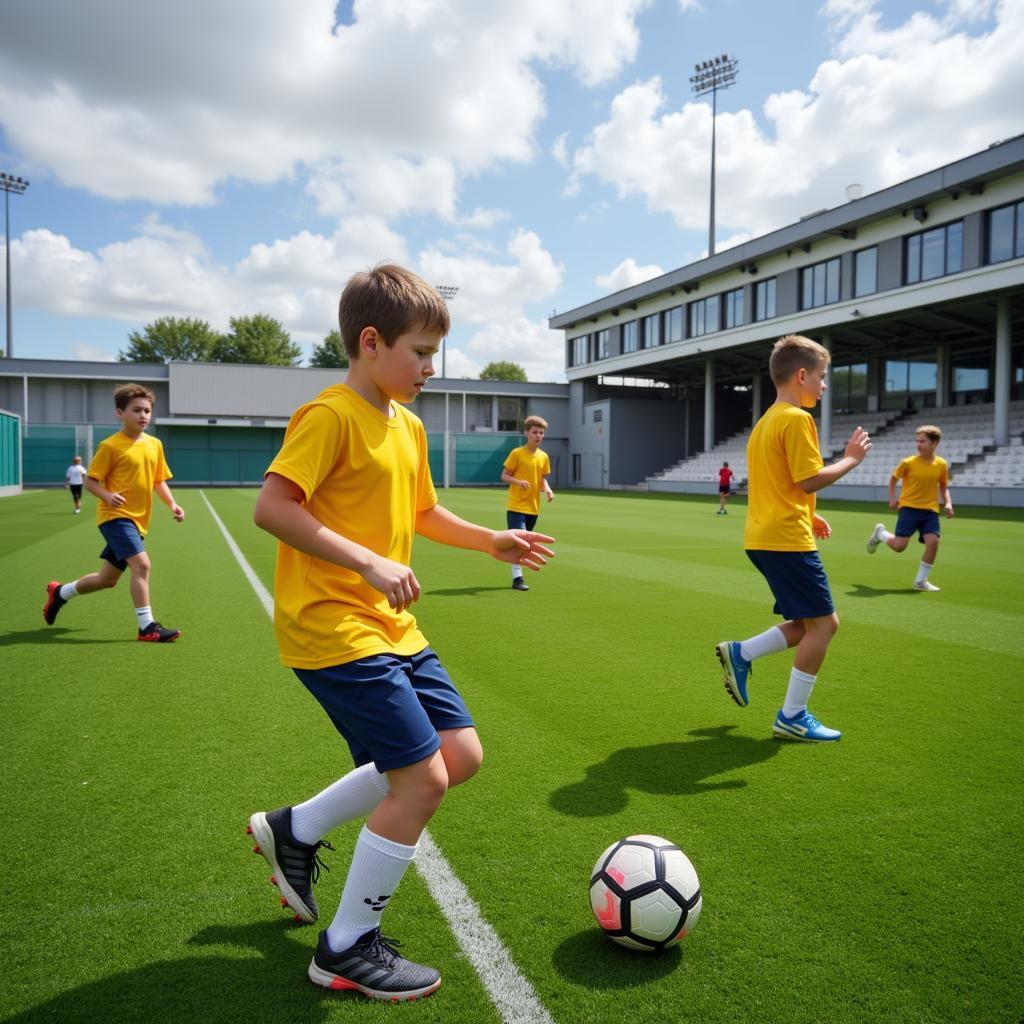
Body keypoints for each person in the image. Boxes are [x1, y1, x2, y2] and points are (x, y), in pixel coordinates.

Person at [248, 264, 554, 1001]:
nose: (431, 367)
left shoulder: (407, 424)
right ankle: (345, 948)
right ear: (371, 341)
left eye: (435, 353)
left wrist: (492, 541)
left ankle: (296, 829)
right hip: (333, 627)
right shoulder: (330, 415)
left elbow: (422, 513)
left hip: (391, 626)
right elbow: (274, 506)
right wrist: (367, 561)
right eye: (420, 352)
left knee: (462, 753)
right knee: (422, 779)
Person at [715, 335, 871, 743]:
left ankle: (743, 653)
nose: (823, 385)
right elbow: (806, 479)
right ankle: (792, 715)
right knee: (825, 625)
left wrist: (810, 513)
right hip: (786, 539)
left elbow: (776, 484)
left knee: (808, 623)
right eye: (821, 377)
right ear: (802, 375)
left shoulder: (766, 421)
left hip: (764, 535)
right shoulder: (799, 419)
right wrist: (852, 459)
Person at [42, 383, 184, 642]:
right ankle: (147, 627)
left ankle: (60, 593)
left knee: (107, 579)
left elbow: (158, 480)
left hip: (139, 522)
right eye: (136, 410)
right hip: (114, 518)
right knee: (142, 565)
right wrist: (108, 496)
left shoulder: (154, 444)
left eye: (147, 411)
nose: (143, 416)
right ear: (120, 413)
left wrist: (173, 504)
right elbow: (91, 481)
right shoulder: (110, 446)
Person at [866, 425, 953, 591]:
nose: (919, 444)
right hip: (909, 508)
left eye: (923, 441)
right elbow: (893, 479)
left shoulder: (941, 464)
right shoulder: (908, 463)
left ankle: (920, 581)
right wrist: (892, 498)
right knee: (899, 547)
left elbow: (943, 486)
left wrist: (948, 503)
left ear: (935, 443)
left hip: (930, 511)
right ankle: (880, 533)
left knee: (933, 542)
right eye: (917, 441)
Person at [500, 415, 554, 590]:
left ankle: (518, 574)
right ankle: (518, 579)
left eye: (541, 433)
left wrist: (548, 489)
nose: (538, 435)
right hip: (516, 506)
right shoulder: (517, 453)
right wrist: (518, 482)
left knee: (526, 544)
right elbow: (504, 475)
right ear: (527, 433)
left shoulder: (543, 457)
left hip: (533, 508)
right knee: (521, 542)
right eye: (535, 432)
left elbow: (542, 479)